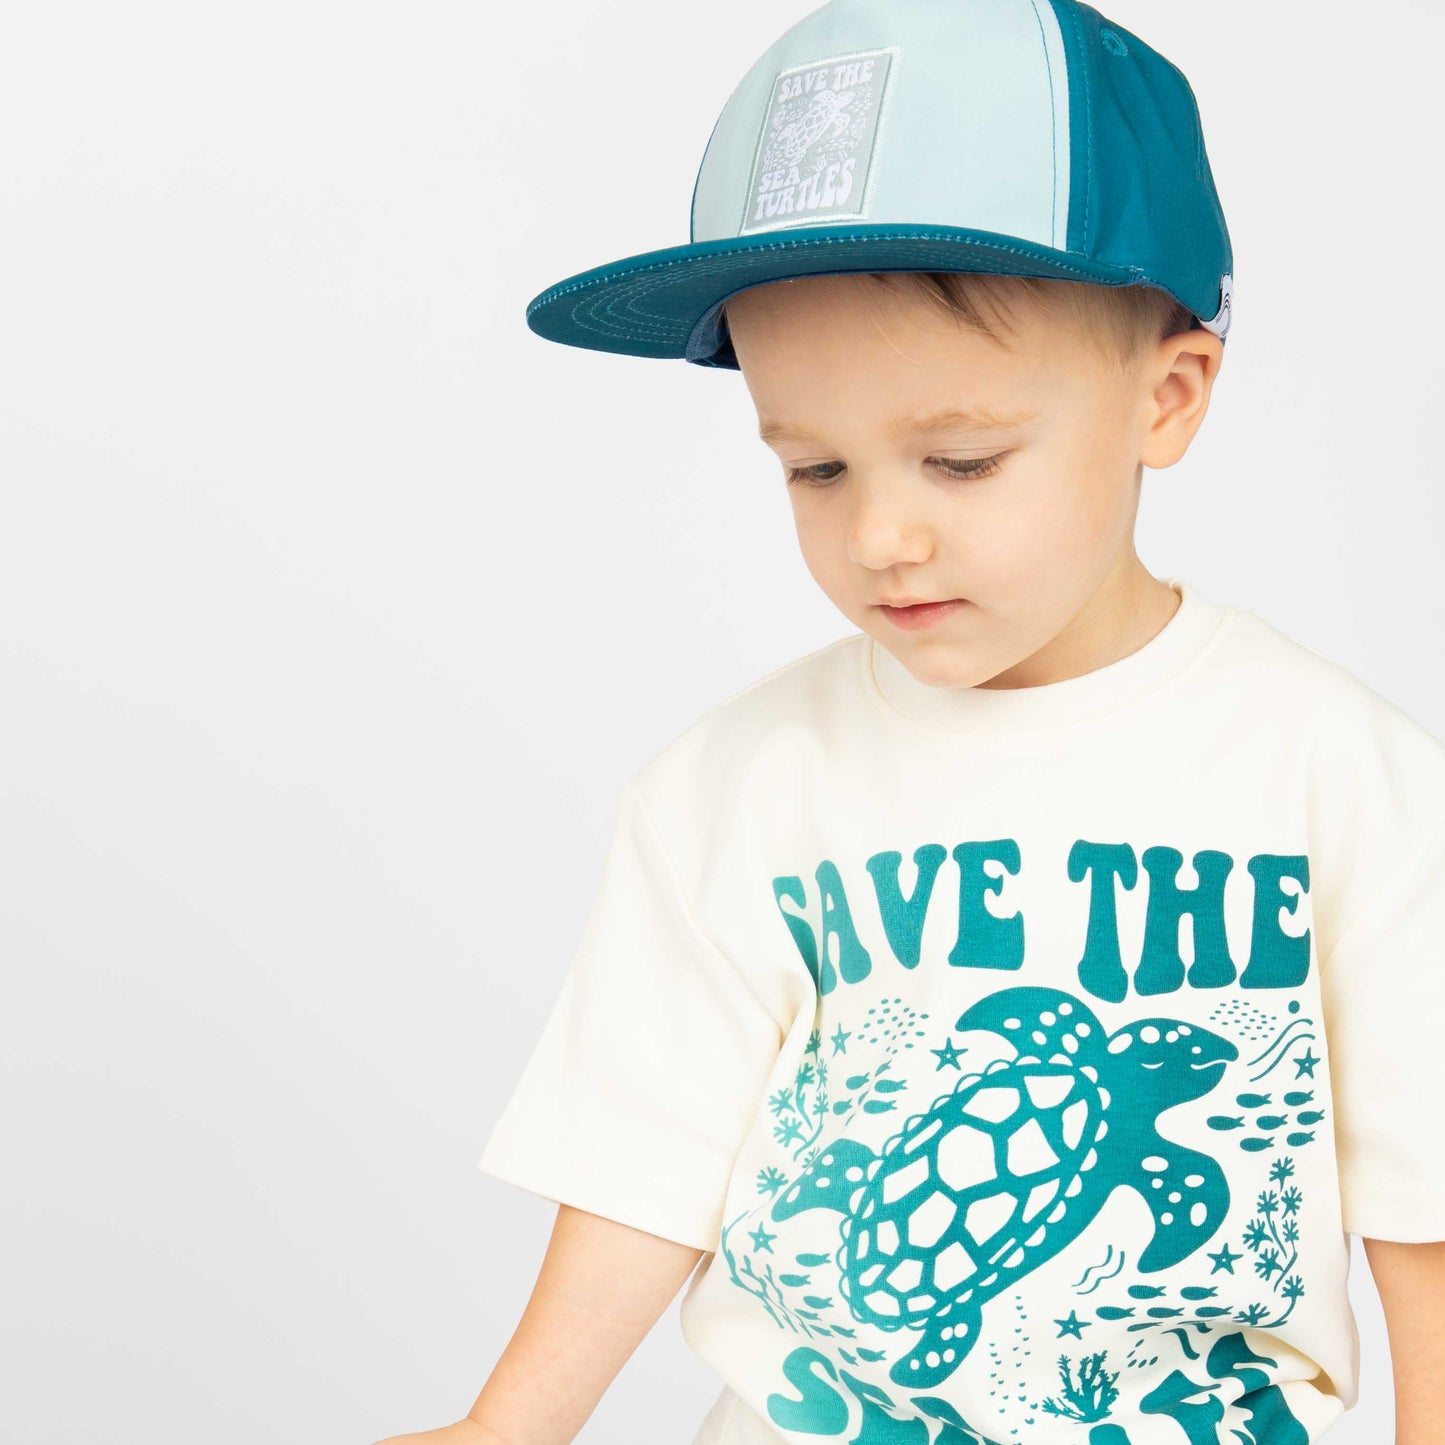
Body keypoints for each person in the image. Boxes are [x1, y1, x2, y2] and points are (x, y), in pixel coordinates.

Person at [374, 1, 1445, 1441]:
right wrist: (503, 1429)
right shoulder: (736, 785)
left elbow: (1421, 1200)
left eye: (958, 458)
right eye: (812, 468)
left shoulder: (1340, 776)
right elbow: (645, 1149)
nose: (879, 533)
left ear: (1168, 394)